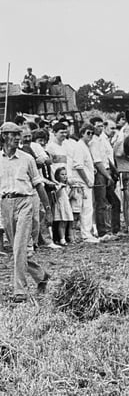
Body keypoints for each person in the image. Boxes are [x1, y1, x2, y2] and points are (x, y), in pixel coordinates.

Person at [0, 121, 52, 302]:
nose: (17, 138)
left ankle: (19, 291)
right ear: (4, 136)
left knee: (20, 247)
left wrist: (47, 209)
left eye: (18, 134)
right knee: (16, 249)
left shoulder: (27, 159)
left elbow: (39, 184)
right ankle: (41, 276)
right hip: (5, 204)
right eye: (13, 134)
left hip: (25, 202)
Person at [89, 117, 120, 240]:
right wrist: (107, 176)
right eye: (98, 126)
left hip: (108, 171)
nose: (100, 128)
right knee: (101, 203)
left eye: (102, 126)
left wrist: (114, 171)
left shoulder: (103, 139)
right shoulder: (93, 142)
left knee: (115, 202)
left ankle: (115, 229)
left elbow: (108, 158)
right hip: (100, 173)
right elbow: (98, 162)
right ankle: (102, 232)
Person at [70, 124, 98, 242]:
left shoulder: (85, 146)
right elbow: (78, 166)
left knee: (88, 208)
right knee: (85, 209)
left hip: (87, 182)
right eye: (88, 133)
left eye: (92, 133)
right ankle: (86, 234)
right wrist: (87, 180)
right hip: (82, 183)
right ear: (82, 133)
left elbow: (84, 164)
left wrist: (92, 170)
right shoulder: (79, 147)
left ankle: (87, 232)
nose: (90, 136)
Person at [52, 167, 74, 245]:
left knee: (70, 222)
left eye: (65, 174)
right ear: (58, 176)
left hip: (66, 205)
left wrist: (73, 189)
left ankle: (71, 237)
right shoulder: (57, 185)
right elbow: (56, 195)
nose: (64, 176)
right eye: (62, 174)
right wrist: (60, 187)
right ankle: (62, 238)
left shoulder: (66, 185)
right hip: (61, 205)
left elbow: (68, 197)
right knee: (62, 222)